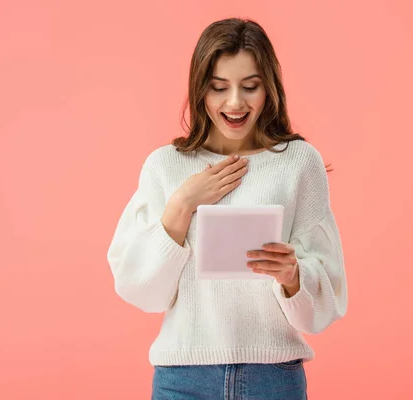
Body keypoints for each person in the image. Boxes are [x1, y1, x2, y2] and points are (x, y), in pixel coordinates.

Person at [107, 17, 347, 400]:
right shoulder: (165, 166)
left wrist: (293, 276)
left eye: (250, 87)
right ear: (200, 90)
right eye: (219, 88)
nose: (235, 103)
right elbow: (141, 291)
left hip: (274, 380)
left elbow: (324, 306)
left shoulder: (300, 163)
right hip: (182, 380)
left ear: (269, 89)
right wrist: (182, 204)